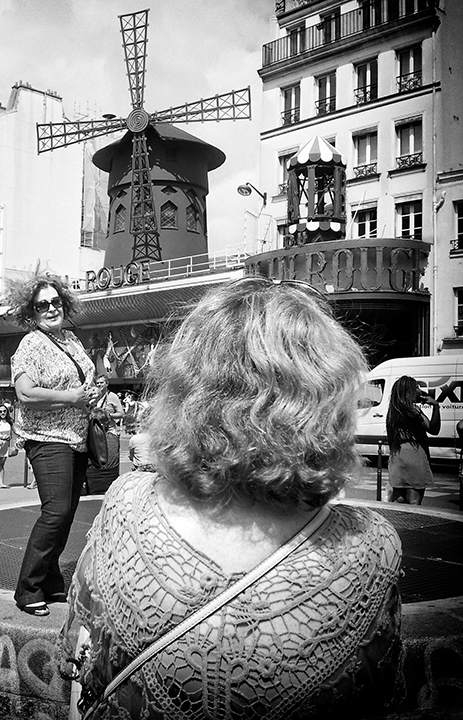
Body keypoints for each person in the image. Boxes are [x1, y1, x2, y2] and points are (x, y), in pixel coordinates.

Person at [59, 278, 404, 719]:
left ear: (187, 389)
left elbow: (83, 677)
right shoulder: (369, 548)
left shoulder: (125, 506)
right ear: (325, 395)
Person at [8, 271, 98, 617]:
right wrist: (71, 396)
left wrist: (91, 392)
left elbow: (80, 386)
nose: (50, 308)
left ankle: (50, 581)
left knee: (66, 514)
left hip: (76, 437)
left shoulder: (71, 341)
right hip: (48, 439)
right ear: (31, 312)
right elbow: (25, 392)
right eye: (41, 305)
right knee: (56, 511)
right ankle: (28, 588)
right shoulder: (31, 344)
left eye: (55, 302)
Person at [385, 376, 441, 505]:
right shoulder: (413, 410)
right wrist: (436, 406)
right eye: (416, 387)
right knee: (414, 501)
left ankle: (399, 524)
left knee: (398, 499)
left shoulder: (392, 412)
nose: (419, 391)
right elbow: (434, 429)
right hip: (415, 455)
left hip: (397, 456)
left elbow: (390, 437)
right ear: (409, 391)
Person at [86, 375, 124, 494]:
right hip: (94, 428)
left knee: (108, 453)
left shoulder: (112, 397)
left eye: (101, 382)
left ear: (107, 383)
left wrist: (108, 415)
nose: (99, 385)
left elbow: (121, 414)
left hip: (109, 429)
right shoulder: (93, 395)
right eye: (97, 383)